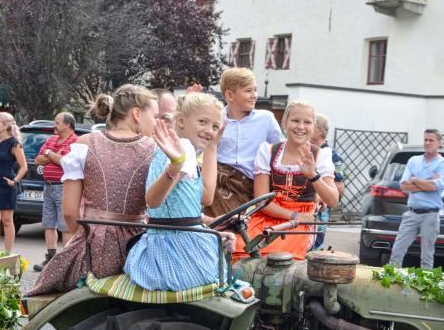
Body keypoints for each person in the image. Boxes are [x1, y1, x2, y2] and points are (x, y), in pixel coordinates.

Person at [26, 84, 159, 296]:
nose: (156, 122)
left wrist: (86, 237)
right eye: (155, 116)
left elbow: (69, 211)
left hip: (92, 246)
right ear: (136, 113)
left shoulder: (85, 143)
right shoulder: (154, 148)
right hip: (138, 249)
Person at [125, 92, 235, 291]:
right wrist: (176, 165)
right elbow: (152, 201)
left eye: (215, 126)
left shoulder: (184, 149)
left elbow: (205, 197)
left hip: (169, 241)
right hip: (177, 249)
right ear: (182, 121)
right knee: (229, 283)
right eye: (203, 121)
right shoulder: (185, 148)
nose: (209, 130)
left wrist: (212, 146)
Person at [232, 101, 339, 261]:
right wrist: (294, 215)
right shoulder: (268, 151)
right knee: (241, 249)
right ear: (285, 122)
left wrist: (313, 175)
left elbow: (332, 200)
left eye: (307, 122)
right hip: (268, 216)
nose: (301, 127)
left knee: (281, 258)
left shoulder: (320, 156)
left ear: (314, 127)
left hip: (301, 223)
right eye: (295, 120)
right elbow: (262, 202)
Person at [203, 68, 283, 218]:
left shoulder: (266, 119)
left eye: (255, 90)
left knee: (233, 227)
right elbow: (199, 149)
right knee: (219, 227)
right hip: (219, 183)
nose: (254, 96)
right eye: (248, 91)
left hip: (249, 185)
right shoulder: (215, 120)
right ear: (230, 95)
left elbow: (282, 153)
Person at [388, 129, 444, 269]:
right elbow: (404, 186)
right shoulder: (414, 161)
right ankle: (391, 281)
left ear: (439, 143)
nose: (427, 143)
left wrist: (415, 179)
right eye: (425, 140)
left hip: (431, 214)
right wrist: (428, 182)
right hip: (412, 212)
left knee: (427, 256)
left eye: (431, 140)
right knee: (397, 250)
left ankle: (425, 285)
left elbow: (436, 187)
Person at [32, 112, 79, 272]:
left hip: (64, 187)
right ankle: (51, 258)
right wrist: (54, 156)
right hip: (48, 186)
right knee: (48, 223)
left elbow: (64, 162)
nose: (55, 125)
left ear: (68, 125)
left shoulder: (75, 141)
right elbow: (38, 159)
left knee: (64, 226)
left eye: (57, 122)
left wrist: (49, 154)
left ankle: (65, 262)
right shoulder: (51, 139)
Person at [0, 112, 27, 253]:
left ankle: (7, 254)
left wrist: (14, 181)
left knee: (7, 220)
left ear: (5, 126)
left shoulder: (14, 144)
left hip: (6, 184)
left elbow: (24, 166)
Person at [309, 113, 345, 250]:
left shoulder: (331, 154)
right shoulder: (306, 149)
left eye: (309, 124)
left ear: (318, 131)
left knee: (315, 248)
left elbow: (339, 187)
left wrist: (321, 197)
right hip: (302, 208)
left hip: (320, 210)